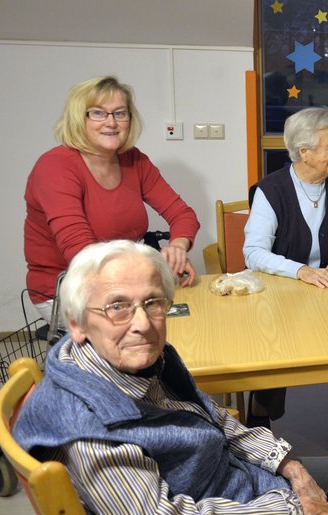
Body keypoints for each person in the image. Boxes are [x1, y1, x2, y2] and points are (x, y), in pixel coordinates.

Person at [12, 241, 328, 515]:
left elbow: (212, 418)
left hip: (221, 478)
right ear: (77, 322)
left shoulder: (129, 361)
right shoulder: (91, 426)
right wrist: (294, 510)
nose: (142, 323)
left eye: (153, 302)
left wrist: (288, 465)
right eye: (118, 306)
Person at [243, 107, 328, 457]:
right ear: (304, 152)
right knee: (272, 340)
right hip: (283, 291)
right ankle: (260, 416)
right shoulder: (270, 190)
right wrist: (300, 271)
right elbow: (253, 253)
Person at [24, 76, 200, 327]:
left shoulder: (134, 160)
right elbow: (81, 251)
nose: (111, 122)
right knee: (147, 335)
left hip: (126, 280)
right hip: (71, 287)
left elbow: (183, 214)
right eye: (97, 113)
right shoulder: (55, 166)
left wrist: (177, 250)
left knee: (185, 323)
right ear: (78, 118)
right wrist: (151, 268)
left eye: (120, 113)